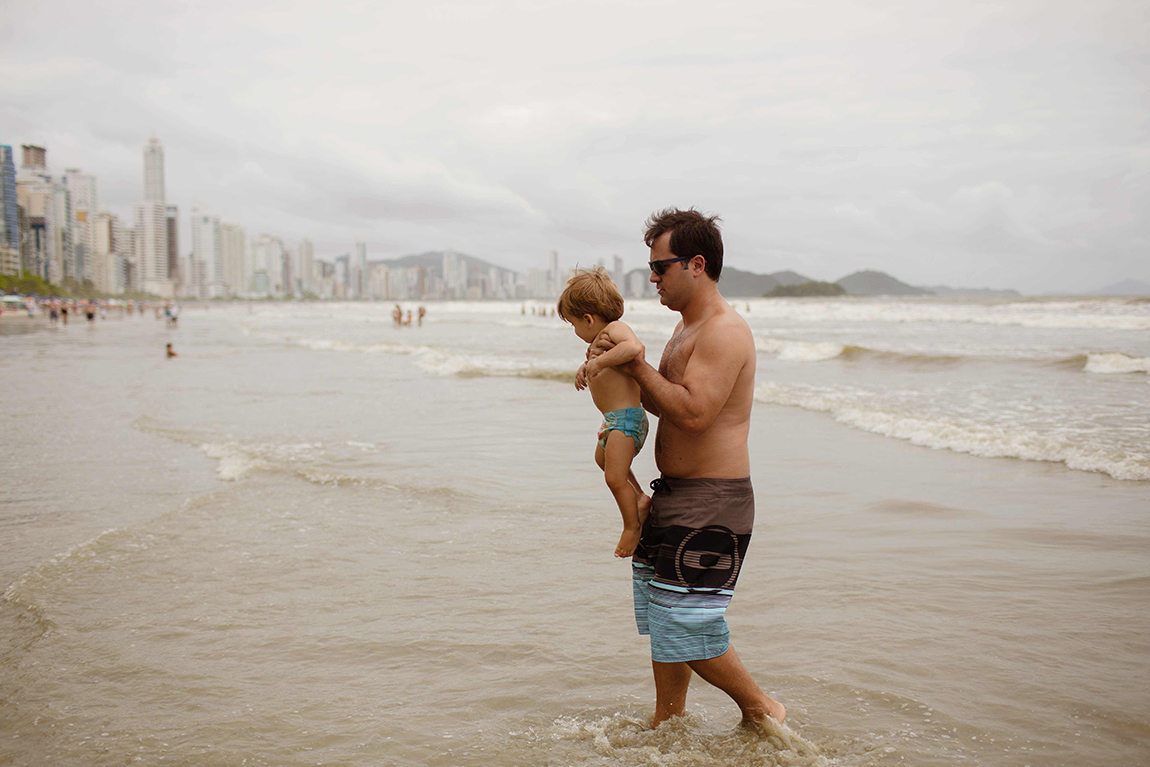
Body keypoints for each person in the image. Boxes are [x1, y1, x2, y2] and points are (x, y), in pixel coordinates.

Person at [590, 207, 785, 729]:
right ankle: (667, 721)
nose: (652, 278)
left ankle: (762, 708)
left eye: (661, 266)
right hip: (677, 492)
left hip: (712, 502)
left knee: (685, 622)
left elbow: (694, 414)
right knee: (663, 615)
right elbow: (667, 400)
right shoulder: (685, 330)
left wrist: (634, 366)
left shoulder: (723, 332)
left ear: (696, 264)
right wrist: (620, 415)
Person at [560, 267, 652, 557]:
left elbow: (634, 348)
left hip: (627, 419)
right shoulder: (597, 343)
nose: (575, 331)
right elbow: (601, 362)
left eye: (574, 324)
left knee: (614, 477)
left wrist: (598, 364)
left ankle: (631, 526)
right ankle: (639, 498)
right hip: (612, 420)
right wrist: (585, 368)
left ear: (588, 319)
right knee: (603, 461)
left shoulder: (614, 330)